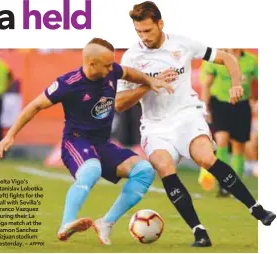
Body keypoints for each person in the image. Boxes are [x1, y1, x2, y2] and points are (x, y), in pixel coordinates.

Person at [115, 1, 275, 247]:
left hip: (186, 115)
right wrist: (149, 83)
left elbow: (228, 59)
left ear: (160, 24)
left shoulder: (182, 43)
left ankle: (256, 208)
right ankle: (199, 231)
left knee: (205, 157)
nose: (143, 37)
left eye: (148, 31)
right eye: (139, 32)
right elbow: (119, 104)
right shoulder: (131, 57)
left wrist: (236, 84)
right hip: (155, 125)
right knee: (163, 165)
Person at [0, 38, 174, 244]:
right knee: (92, 170)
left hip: (102, 144)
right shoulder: (67, 84)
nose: (112, 68)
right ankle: (66, 223)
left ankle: (106, 222)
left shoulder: (112, 70)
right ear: (91, 64)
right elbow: (35, 105)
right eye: (107, 65)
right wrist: (10, 135)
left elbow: (128, 72)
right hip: (76, 142)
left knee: (144, 171)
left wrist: (150, 81)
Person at [200, 49, 258, 197]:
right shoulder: (217, 58)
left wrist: (255, 101)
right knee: (221, 140)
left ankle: (235, 184)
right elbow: (207, 84)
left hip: (242, 104)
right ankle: (224, 182)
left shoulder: (251, 60)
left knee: (239, 145)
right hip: (219, 103)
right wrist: (204, 107)